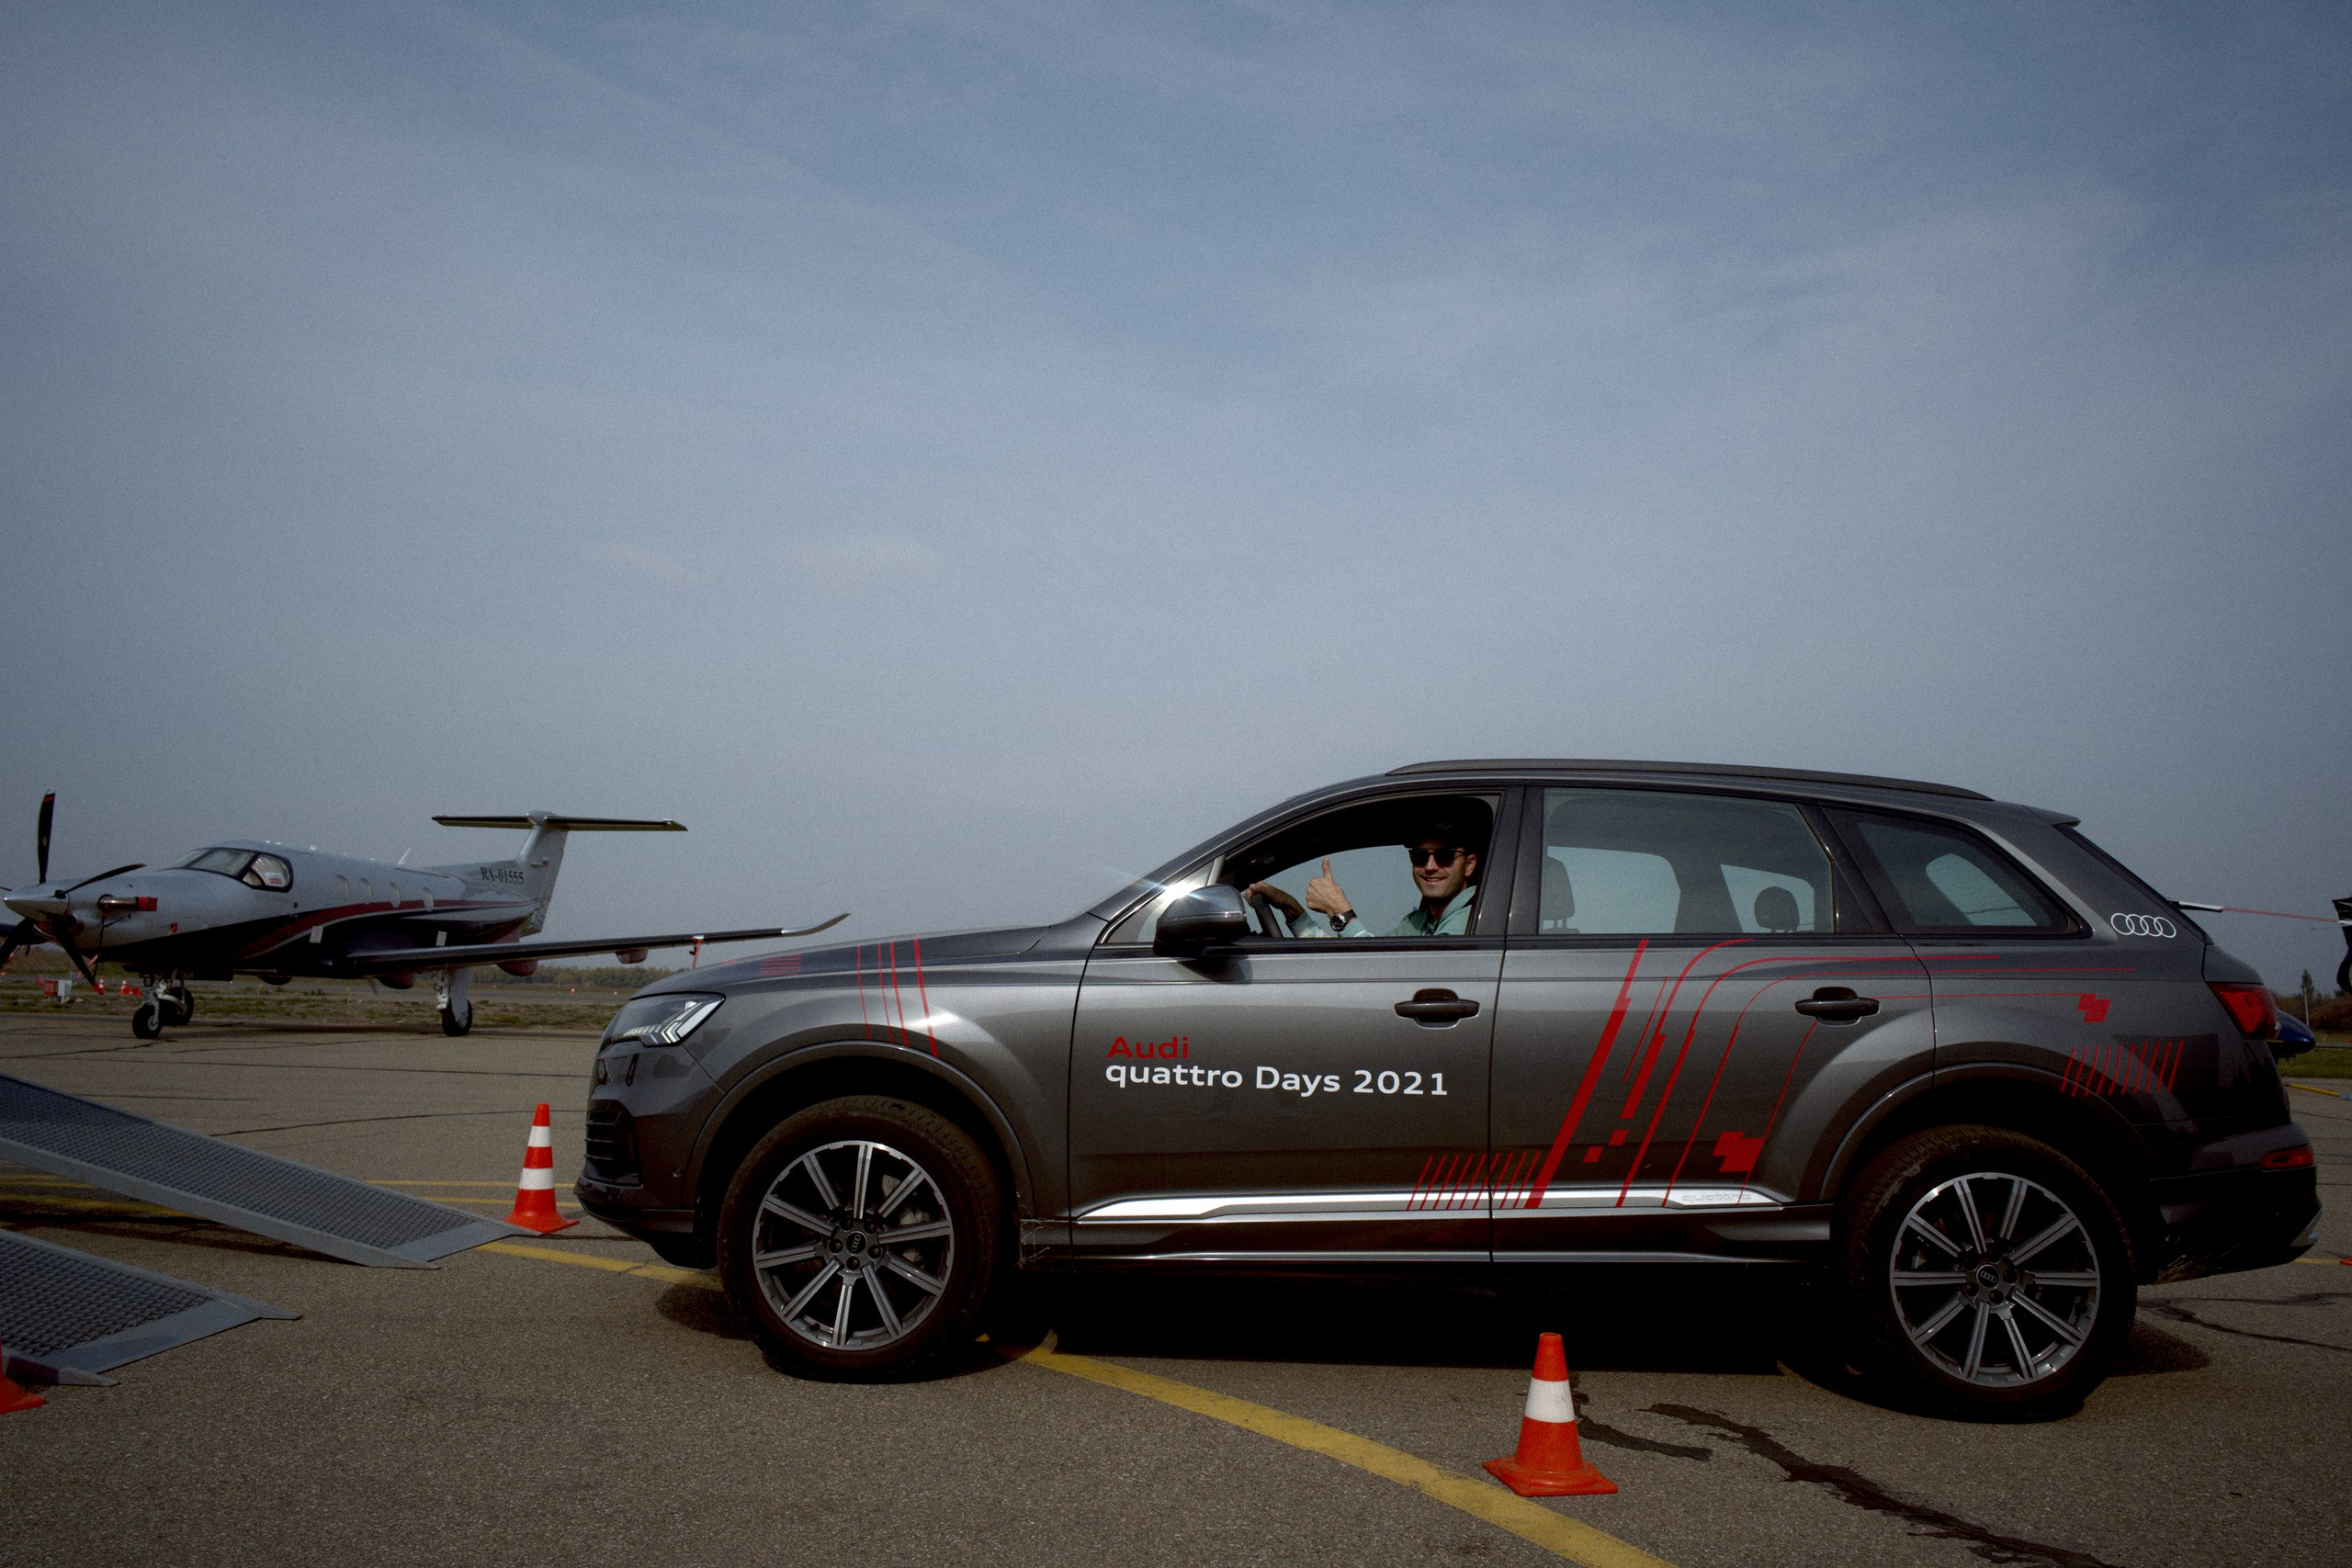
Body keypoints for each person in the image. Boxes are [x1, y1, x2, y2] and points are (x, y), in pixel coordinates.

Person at [1247, 821, 1480, 938]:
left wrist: (1341, 912)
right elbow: (1360, 956)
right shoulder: (1419, 922)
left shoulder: (1471, 921)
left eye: (1444, 856)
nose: (1430, 867)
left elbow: (1381, 974)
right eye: (1420, 856)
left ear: (1469, 865)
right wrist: (1293, 911)